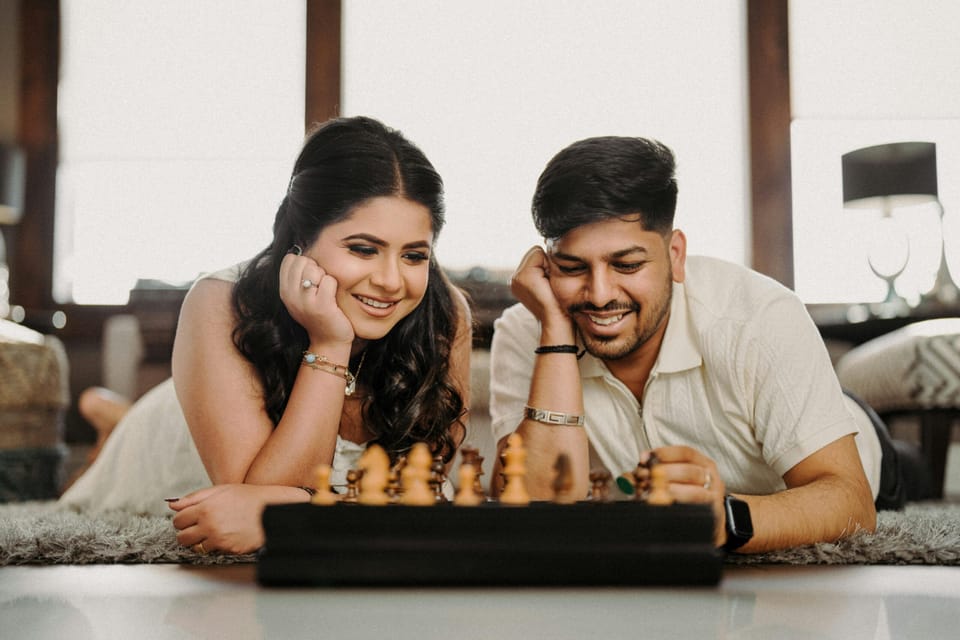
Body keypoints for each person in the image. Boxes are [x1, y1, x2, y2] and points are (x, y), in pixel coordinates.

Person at [60, 116, 473, 554]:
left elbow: (417, 489)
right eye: (363, 249)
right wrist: (330, 343)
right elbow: (258, 507)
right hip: (166, 437)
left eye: (413, 255)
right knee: (106, 473)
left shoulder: (445, 314)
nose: (391, 281)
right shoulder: (220, 300)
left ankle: (116, 418)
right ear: (301, 239)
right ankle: (118, 427)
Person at [489, 134, 916, 554]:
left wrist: (724, 519)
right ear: (545, 265)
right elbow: (535, 507)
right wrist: (558, 341)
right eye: (572, 267)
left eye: (627, 264)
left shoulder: (760, 316)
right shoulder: (530, 329)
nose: (600, 294)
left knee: (911, 469)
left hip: (852, 441)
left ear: (675, 255)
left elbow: (851, 501)